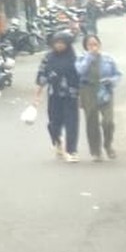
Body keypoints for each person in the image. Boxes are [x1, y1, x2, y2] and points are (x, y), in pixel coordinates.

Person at [35, 31, 83, 162]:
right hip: (54, 94)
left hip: (71, 95)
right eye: (56, 43)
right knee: (53, 123)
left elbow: (81, 77)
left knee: (71, 123)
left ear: (67, 44)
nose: (59, 46)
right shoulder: (48, 57)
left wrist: (82, 96)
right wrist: (37, 95)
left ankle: (72, 151)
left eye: (62, 43)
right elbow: (42, 75)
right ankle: (57, 141)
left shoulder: (75, 58)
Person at [77, 34, 123, 161]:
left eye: (95, 44)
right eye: (90, 45)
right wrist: (89, 57)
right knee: (92, 122)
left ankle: (108, 145)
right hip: (88, 91)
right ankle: (96, 151)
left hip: (105, 90)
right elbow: (79, 71)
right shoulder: (81, 58)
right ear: (86, 47)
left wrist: (112, 81)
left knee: (108, 121)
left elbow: (117, 74)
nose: (93, 47)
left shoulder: (108, 58)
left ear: (100, 45)